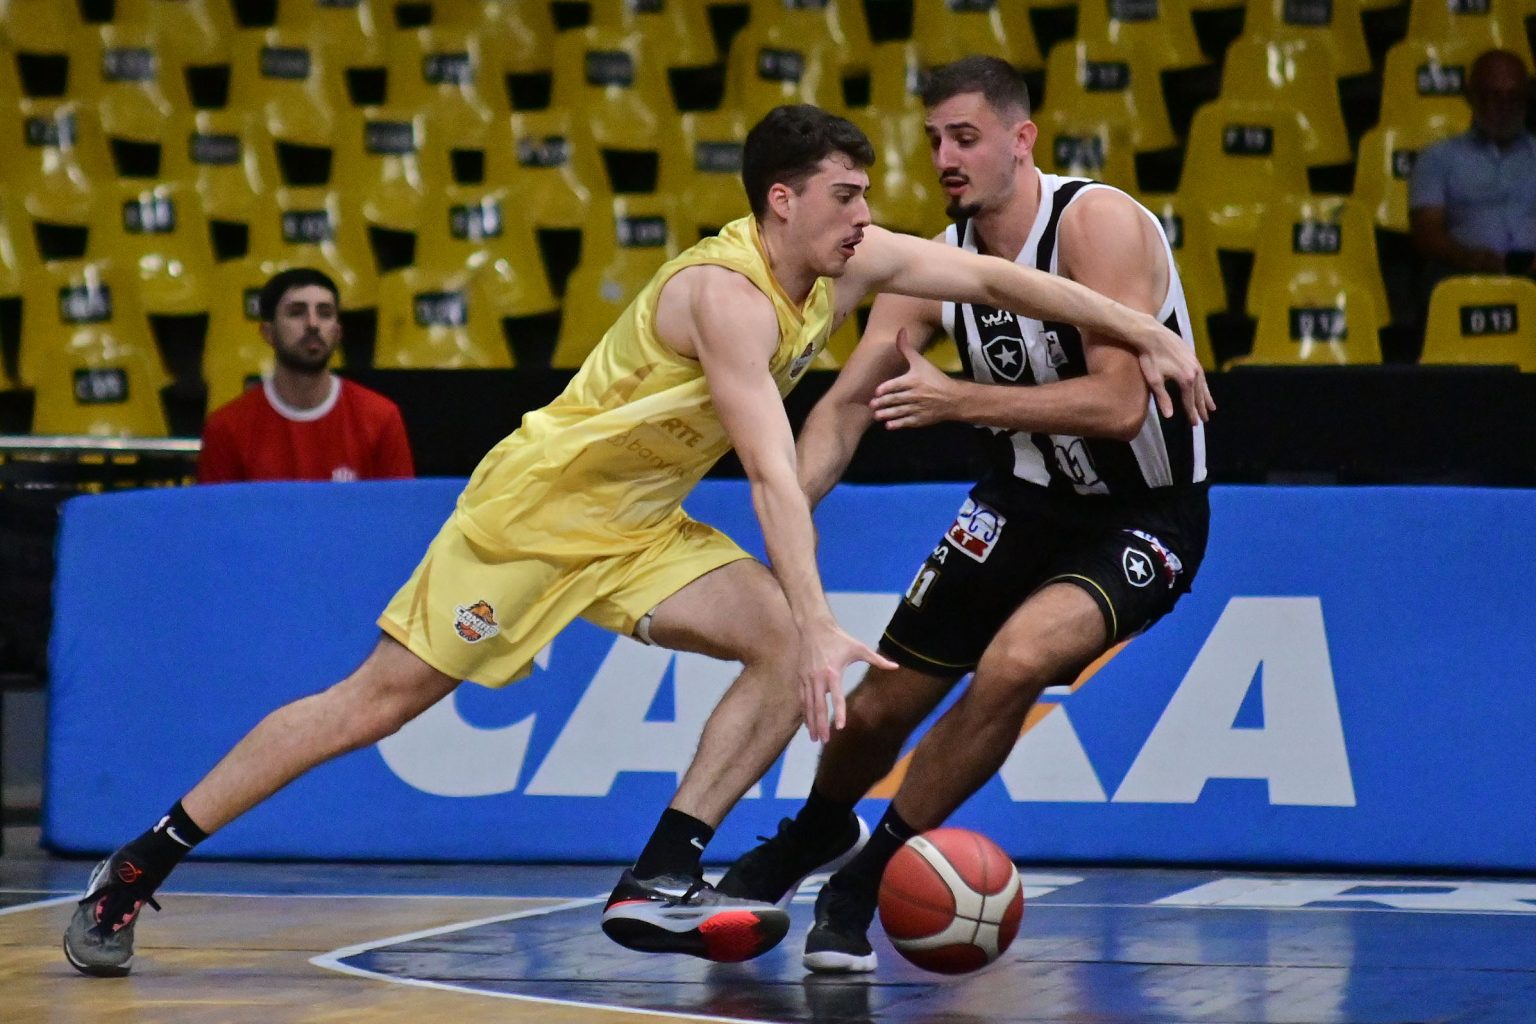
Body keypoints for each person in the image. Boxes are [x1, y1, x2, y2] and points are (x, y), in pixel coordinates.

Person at [62, 104, 1210, 978]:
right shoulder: (729, 295)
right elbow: (770, 465)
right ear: (781, 203)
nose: (870, 215)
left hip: (638, 526)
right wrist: (817, 623)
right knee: (374, 703)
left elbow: (995, 273)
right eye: (849, 195)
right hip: (531, 520)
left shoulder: (848, 261)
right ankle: (141, 862)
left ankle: (662, 871)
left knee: (767, 639)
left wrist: (1145, 332)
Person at [717, 59, 1210, 973]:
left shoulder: (1093, 224)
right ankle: (813, 834)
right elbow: (849, 405)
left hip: (1144, 513)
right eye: (936, 138)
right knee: (876, 710)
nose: (946, 155)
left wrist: (961, 402)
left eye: (967, 137)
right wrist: (789, 502)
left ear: (1022, 140)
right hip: (1020, 503)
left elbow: (1117, 406)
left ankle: (864, 878)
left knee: (1016, 662)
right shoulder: (937, 259)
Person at [198, 268, 415, 483]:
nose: (313, 324)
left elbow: (402, 513)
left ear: (338, 333)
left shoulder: (381, 419)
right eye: (296, 312)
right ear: (268, 333)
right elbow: (216, 517)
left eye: (325, 313)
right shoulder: (226, 428)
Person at [1409, 49, 1536, 281]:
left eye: (1514, 96)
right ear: (1471, 97)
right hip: (1465, 274)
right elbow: (1426, 232)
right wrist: (1466, 257)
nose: (1505, 107)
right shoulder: (1437, 157)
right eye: (1494, 96)